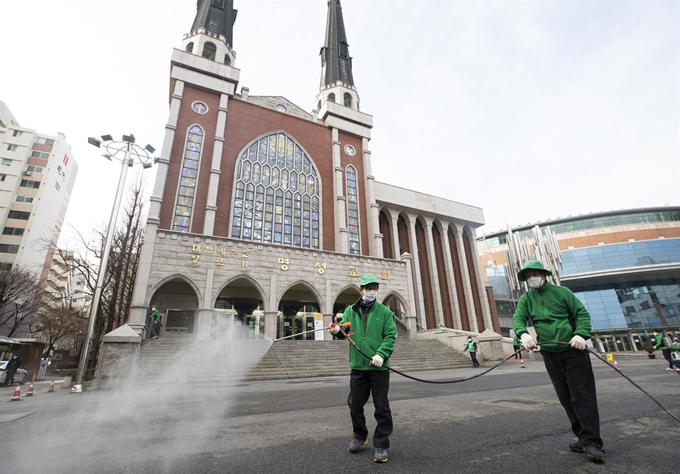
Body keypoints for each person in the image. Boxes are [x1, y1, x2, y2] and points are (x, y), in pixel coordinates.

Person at [512, 260, 606, 464]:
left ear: (543, 274)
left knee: (582, 395)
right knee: (565, 397)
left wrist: (581, 334)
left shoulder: (562, 292)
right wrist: (522, 334)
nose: (531, 279)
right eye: (528, 276)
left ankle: (592, 442)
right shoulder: (526, 299)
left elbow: (582, 314)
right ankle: (582, 437)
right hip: (549, 352)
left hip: (573, 349)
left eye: (534, 274)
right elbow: (518, 318)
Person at [330, 273, 397, 464]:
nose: (371, 291)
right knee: (355, 404)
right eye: (368, 288)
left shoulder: (384, 312)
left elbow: (391, 336)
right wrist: (337, 331)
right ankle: (360, 436)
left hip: (378, 368)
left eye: (374, 288)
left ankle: (382, 444)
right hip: (358, 367)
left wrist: (381, 354)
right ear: (360, 290)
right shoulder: (351, 310)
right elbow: (344, 329)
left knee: (381, 407)